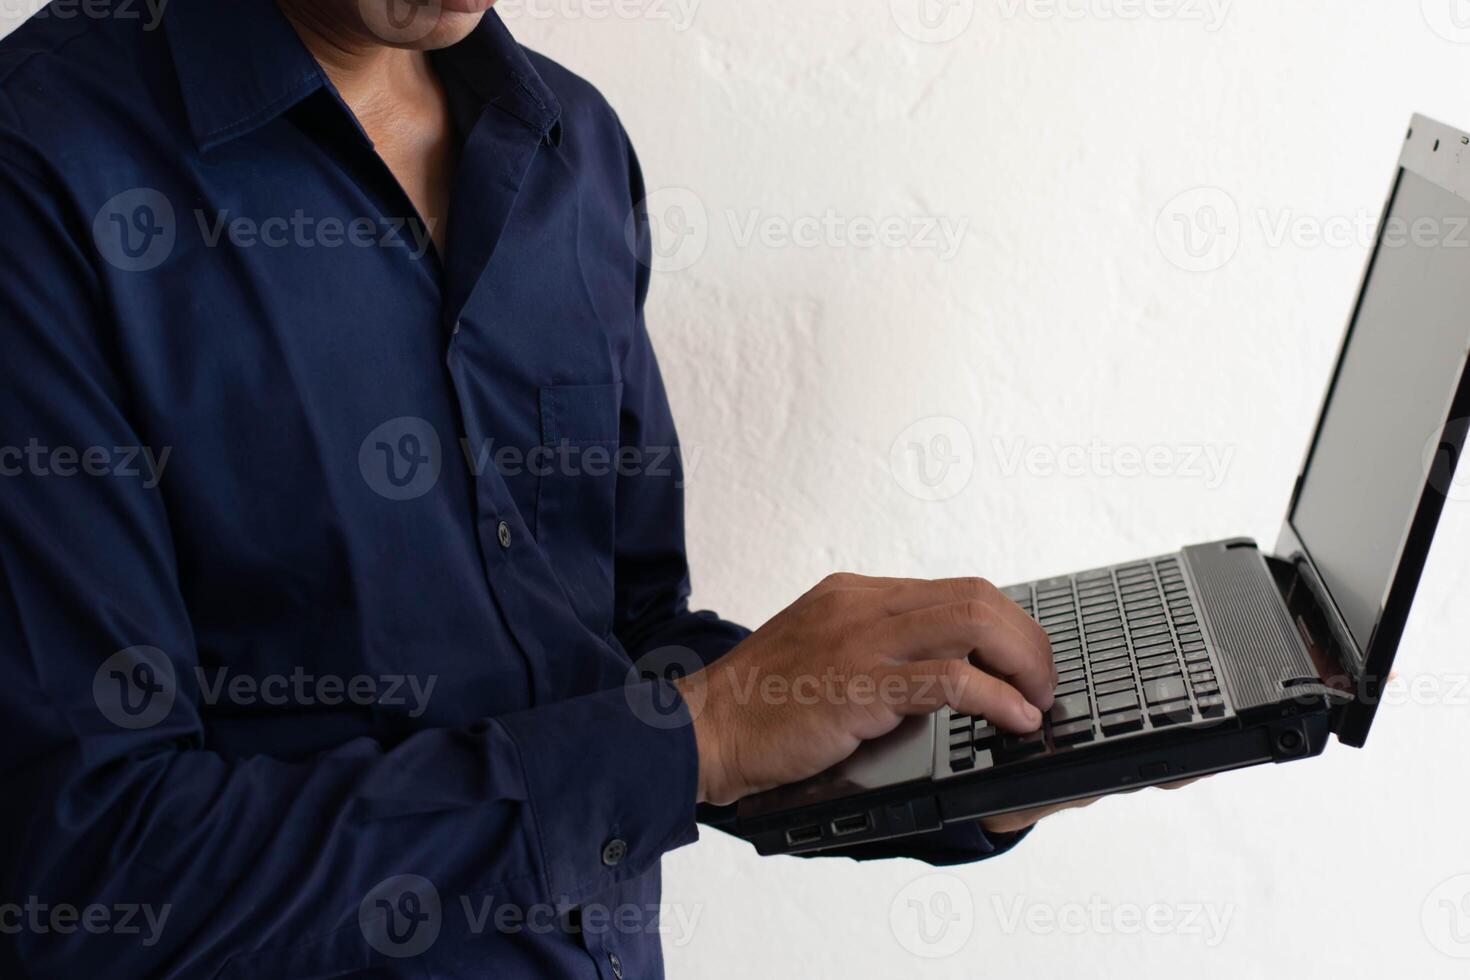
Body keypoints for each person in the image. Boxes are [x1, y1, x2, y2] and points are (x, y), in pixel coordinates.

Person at [0, 2, 1141, 976]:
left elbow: (619, 646)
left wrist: (938, 761)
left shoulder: (568, 143)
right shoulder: (39, 171)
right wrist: (697, 735)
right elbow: (87, 869)